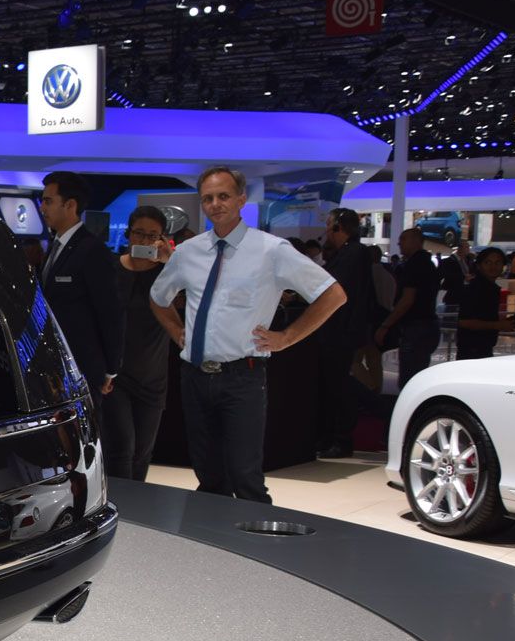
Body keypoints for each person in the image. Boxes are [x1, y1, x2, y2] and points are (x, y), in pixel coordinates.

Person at [149, 167, 346, 503]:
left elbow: (333, 294)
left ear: (241, 200)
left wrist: (287, 337)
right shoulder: (188, 252)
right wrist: (176, 330)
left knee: (245, 476)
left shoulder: (272, 250)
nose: (215, 204)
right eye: (208, 198)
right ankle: (212, 536)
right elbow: (157, 298)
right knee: (209, 475)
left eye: (223, 196)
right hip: (194, 377)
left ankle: (254, 535)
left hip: (243, 378)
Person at [36, 171, 124, 429]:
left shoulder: (92, 250)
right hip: (55, 364)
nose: (42, 208)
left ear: (70, 205)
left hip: (83, 366)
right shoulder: (55, 246)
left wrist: (110, 368)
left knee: (84, 433)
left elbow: (111, 313)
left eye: (48, 201)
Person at [103, 205, 173, 480]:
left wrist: (170, 262)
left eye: (152, 235)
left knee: (142, 453)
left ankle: (137, 505)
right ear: (128, 234)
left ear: (162, 238)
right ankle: (120, 504)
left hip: (152, 378)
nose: (144, 240)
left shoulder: (168, 273)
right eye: (138, 233)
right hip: (115, 376)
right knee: (121, 450)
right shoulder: (110, 268)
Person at [316, 207, 378, 458]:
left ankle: (340, 438)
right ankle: (330, 436)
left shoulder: (354, 253)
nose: (326, 231)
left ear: (337, 227)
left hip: (340, 332)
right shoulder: (348, 253)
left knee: (339, 386)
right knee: (333, 386)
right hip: (337, 331)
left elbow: (340, 292)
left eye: (328, 225)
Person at [375, 228, 442, 390]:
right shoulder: (427, 263)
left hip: (416, 327)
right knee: (416, 375)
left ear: (416, 241)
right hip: (427, 325)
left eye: (403, 239)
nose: (399, 243)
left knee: (409, 379)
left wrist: (385, 325)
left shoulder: (415, 264)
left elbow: (407, 299)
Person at [454, 247, 515, 359]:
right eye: (487, 262)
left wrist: (501, 323)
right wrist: (498, 325)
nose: (493, 267)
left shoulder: (489, 288)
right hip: (472, 349)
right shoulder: (476, 288)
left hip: (481, 348)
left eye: (497, 263)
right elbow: (463, 322)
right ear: (479, 265)